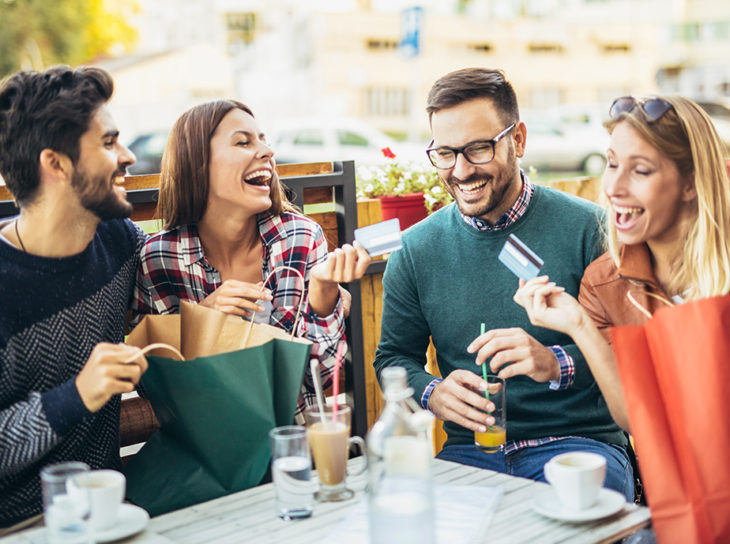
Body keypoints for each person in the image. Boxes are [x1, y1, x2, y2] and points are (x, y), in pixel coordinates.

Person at [373, 67, 633, 499]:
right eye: (445, 153)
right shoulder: (416, 248)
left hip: (580, 448)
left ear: (519, 140)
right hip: (468, 454)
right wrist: (433, 393)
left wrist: (552, 363)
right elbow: (393, 359)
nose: (460, 171)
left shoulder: (591, 228)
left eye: (477, 149)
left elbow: (628, 354)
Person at [131, 99, 370, 417]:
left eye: (264, 140)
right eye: (243, 142)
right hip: (210, 453)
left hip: (296, 449)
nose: (267, 152)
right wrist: (203, 318)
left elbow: (320, 377)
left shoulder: (300, 238)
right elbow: (152, 387)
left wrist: (323, 294)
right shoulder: (161, 259)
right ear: (197, 163)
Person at [514, 95, 730, 431]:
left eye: (641, 170)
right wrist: (579, 325)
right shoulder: (603, 284)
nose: (614, 187)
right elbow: (636, 421)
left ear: (690, 183)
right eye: (612, 164)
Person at [0, 65, 148, 530]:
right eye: (107, 143)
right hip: (18, 526)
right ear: (56, 164)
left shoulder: (120, 240)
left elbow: (177, 281)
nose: (127, 156)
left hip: (110, 516)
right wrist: (77, 396)